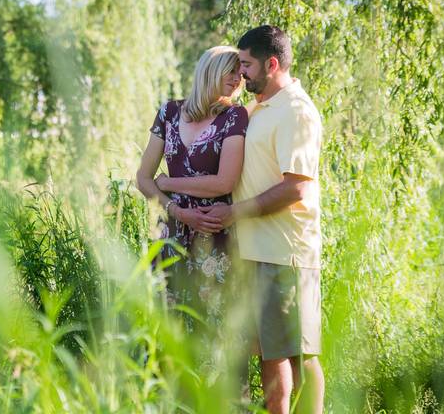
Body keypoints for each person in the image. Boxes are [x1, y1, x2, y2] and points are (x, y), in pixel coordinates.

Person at [202, 25, 324, 414]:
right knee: (276, 353)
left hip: (284, 253)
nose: (242, 74)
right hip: (256, 251)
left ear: (272, 64)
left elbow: (296, 189)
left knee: (297, 354)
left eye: (247, 65)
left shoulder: (296, 111)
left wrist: (234, 213)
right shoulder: (259, 108)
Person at [134, 46, 249, 372]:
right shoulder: (169, 112)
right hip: (171, 237)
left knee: (216, 332)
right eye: (231, 71)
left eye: (241, 73)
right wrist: (175, 210)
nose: (238, 80)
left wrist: (170, 184)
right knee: (168, 331)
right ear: (210, 71)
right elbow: (143, 178)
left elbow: (224, 182)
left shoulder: (234, 116)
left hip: (214, 239)